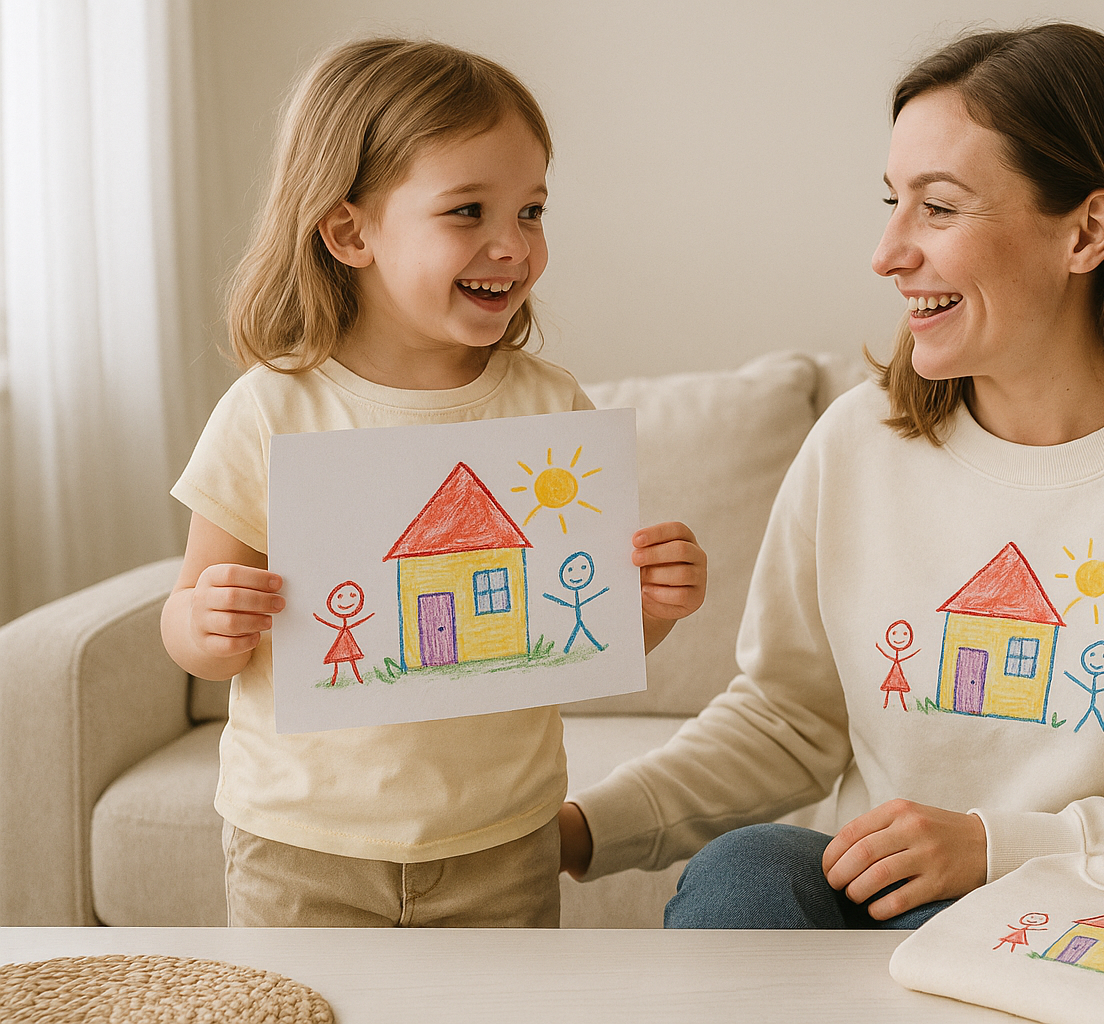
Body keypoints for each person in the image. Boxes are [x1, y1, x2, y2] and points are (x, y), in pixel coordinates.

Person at [558, 23, 1104, 929]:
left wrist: (997, 850)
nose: (888, 252)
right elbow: (788, 722)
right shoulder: (858, 441)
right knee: (749, 870)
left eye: (938, 208)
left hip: (1098, 922)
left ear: (1087, 232)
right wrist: (580, 830)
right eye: (891, 201)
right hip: (884, 907)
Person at [160, 38, 707, 928]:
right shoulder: (270, 410)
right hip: (301, 840)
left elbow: (580, 627)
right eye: (468, 211)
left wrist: (655, 604)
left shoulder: (549, 405)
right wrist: (207, 620)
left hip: (501, 834)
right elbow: (187, 622)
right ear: (350, 231)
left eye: (531, 210)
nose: (513, 245)